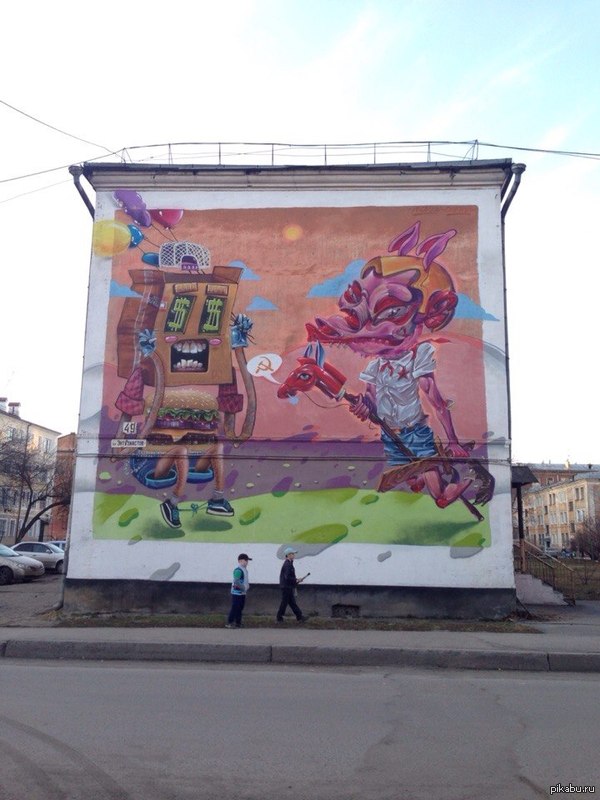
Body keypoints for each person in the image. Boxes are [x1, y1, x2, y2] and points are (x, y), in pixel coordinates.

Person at [276, 547, 308, 623]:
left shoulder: (289, 563)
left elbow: (288, 577)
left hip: (287, 586)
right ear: (288, 555)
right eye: (293, 554)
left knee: (291, 603)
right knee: (285, 603)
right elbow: (287, 577)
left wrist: (296, 580)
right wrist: (296, 580)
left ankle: (299, 617)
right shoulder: (288, 565)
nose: (294, 555)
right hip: (286, 587)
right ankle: (279, 618)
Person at [226, 553, 252, 628]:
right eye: (245, 560)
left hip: (242, 593)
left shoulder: (244, 570)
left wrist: (247, 586)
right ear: (240, 561)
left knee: (240, 608)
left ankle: (238, 622)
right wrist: (243, 588)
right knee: (235, 607)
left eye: (247, 560)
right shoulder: (238, 570)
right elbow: (236, 581)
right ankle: (230, 622)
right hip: (237, 593)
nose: (247, 562)